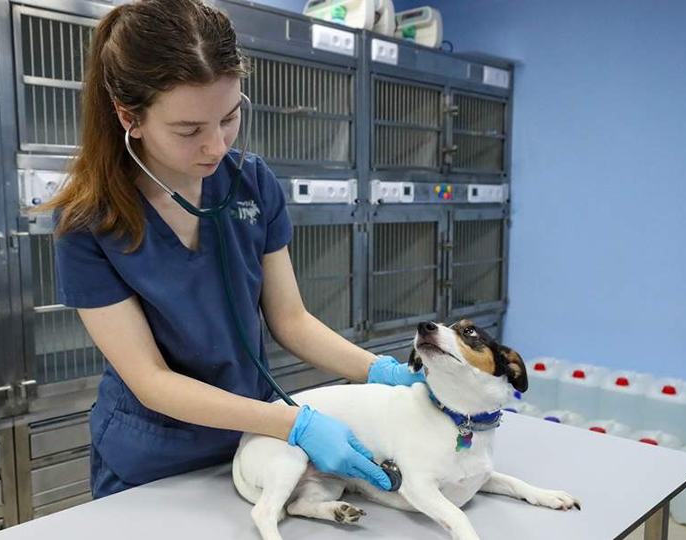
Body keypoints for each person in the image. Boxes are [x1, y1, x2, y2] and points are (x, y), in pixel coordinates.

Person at [43, 0, 424, 499]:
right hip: (153, 457)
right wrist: (294, 424)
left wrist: (380, 371)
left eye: (229, 117)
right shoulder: (88, 220)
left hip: (254, 442)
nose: (217, 146)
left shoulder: (252, 183)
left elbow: (291, 320)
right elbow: (151, 380)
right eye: (189, 130)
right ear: (129, 117)